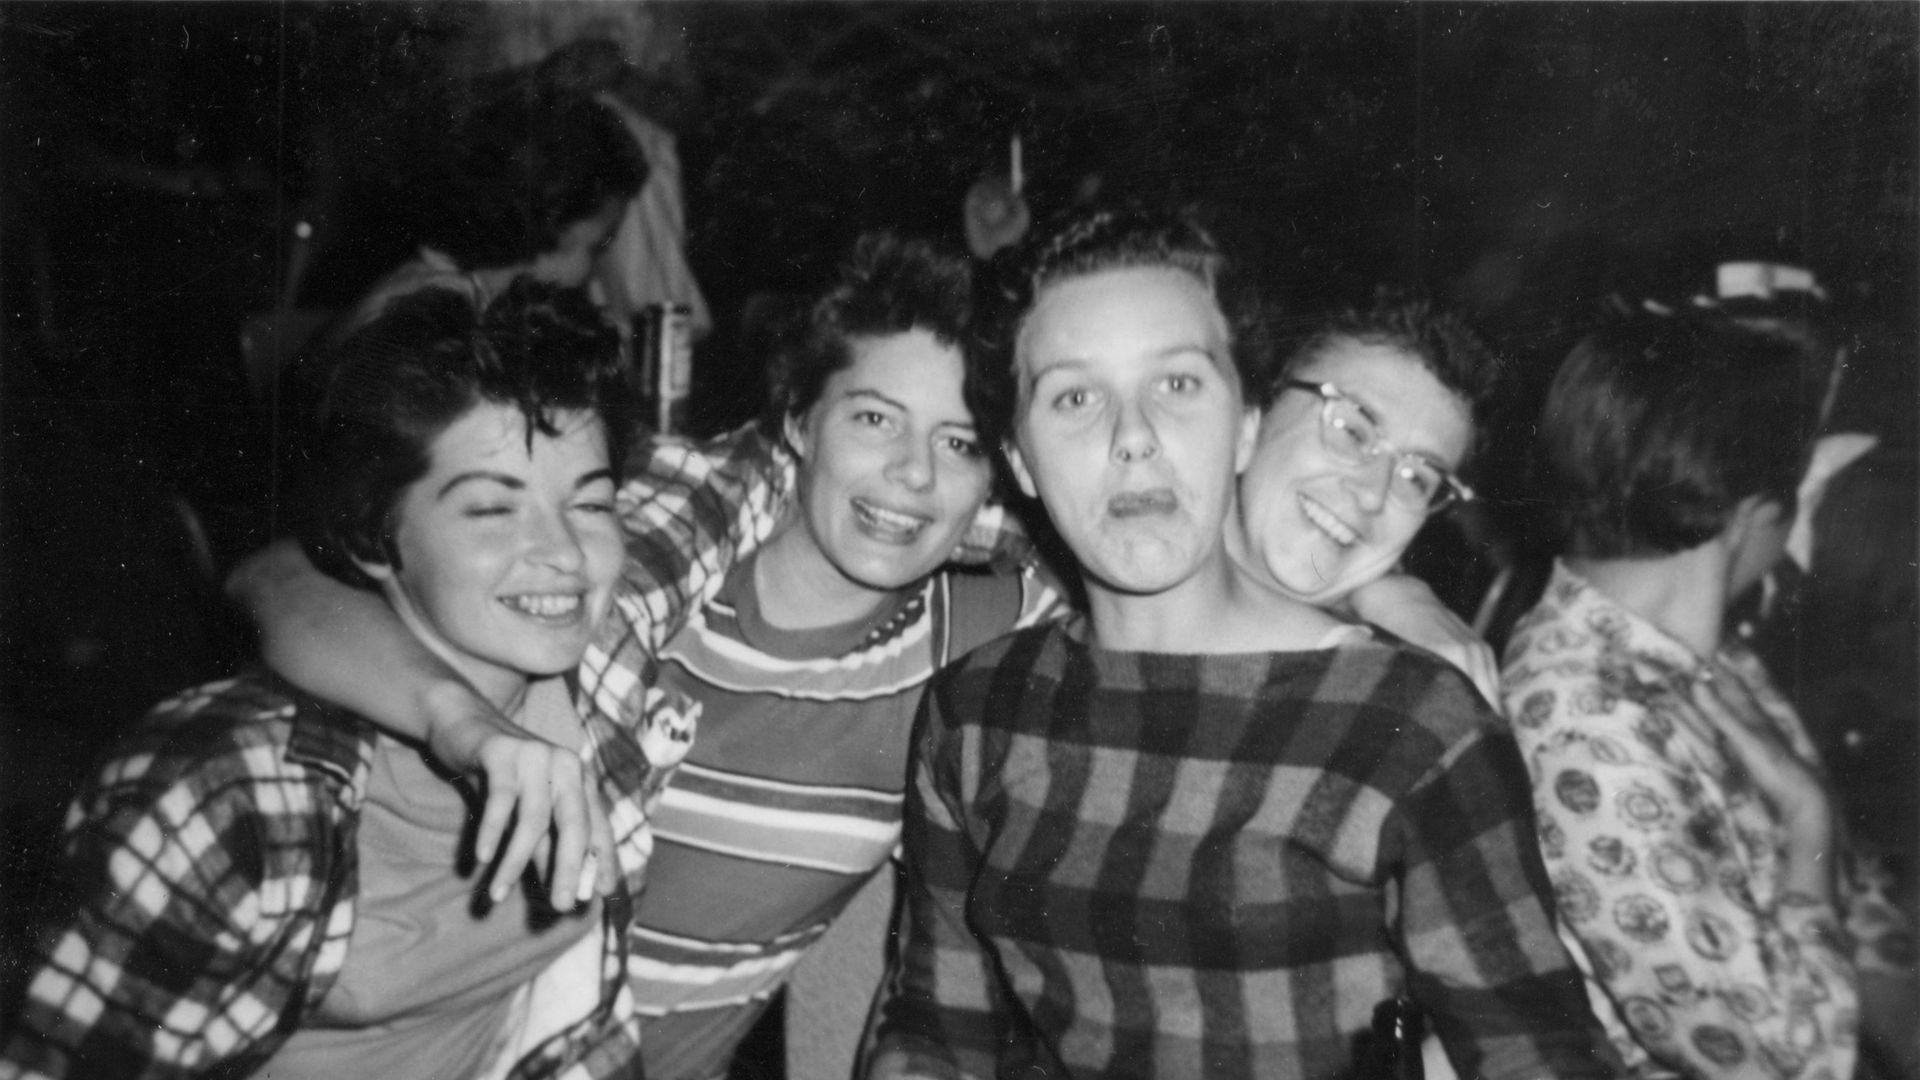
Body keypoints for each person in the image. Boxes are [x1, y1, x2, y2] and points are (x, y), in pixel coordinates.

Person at [228, 227, 1508, 1080]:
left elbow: (1180, 531)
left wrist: (1391, 593)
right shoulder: (660, 532)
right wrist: (471, 724)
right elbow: (289, 574)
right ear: (793, 423)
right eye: (876, 421)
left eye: (956, 444)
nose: (911, 475)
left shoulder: (990, 631)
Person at [866, 205, 1619, 1080]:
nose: (1134, 437)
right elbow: (938, 1022)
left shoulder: (1414, 723)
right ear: (1020, 461)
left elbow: (1538, 1055)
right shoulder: (976, 711)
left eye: (1178, 384)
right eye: (1075, 397)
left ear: (1247, 425)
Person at [1, 281, 660, 1079]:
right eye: (492, 510)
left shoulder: (609, 676)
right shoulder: (231, 795)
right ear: (375, 538)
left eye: (591, 506)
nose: (562, 551)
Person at [1499, 312, 1920, 1080]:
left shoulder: (1701, 655)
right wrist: (1808, 818)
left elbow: (1858, 903)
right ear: (1760, 514)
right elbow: (1783, 1061)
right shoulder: (1580, 726)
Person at [324, 79, 648, 350]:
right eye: (599, 244)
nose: (595, 268)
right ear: (550, 221)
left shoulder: (460, 294)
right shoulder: (427, 322)